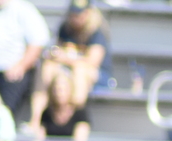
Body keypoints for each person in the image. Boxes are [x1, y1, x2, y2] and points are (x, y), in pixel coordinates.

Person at [31, 0, 112, 128]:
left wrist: (65, 58)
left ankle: (74, 120)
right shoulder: (66, 28)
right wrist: (55, 55)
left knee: (79, 70)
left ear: (88, 13)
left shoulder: (96, 31)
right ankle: (36, 118)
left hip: (96, 75)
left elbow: (91, 62)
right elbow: (58, 49)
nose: (76, 18)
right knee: (47, 66)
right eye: (73, 14)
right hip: (69, 70)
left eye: (80, 14)